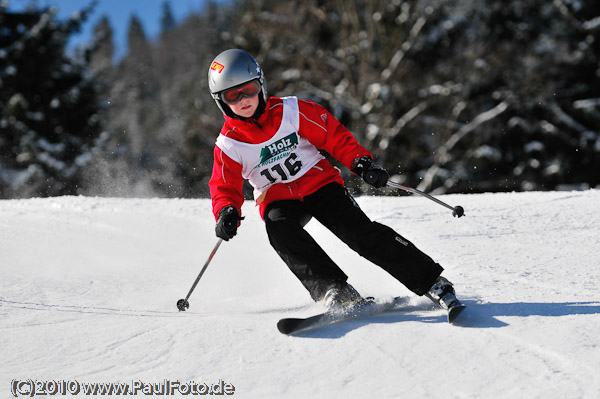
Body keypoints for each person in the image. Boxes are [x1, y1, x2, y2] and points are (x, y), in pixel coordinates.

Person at [207, 49, 458, 311]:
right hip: (278, 198)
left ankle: (431, 281)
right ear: (221, 102)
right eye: (233, 95)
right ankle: (334, 288)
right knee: (279, 231)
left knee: (358, 232)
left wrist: (361, 162)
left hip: (320, 185)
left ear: (261, 85)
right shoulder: (228, 145)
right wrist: (227, 211)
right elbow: (224, 185)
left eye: (248, 89)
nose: (244, 99)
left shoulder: (292, 111)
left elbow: (334, 137)